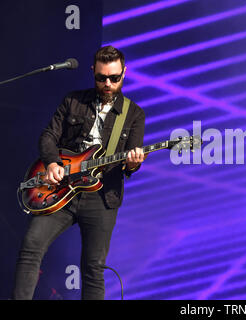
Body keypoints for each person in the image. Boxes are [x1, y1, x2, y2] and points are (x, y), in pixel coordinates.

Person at [12, 45, 146, 300]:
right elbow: (48, 136)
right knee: (31, 247)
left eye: (114, 78)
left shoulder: (134, 114)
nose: (108, 83)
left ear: (124, 74)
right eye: (101, 77)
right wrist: (52, 163)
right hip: (61, 191)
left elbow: (131, 162)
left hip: (102, 197)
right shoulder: (73, 100)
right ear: (92, 72)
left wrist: (133, 163)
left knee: (93, 268)